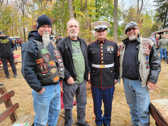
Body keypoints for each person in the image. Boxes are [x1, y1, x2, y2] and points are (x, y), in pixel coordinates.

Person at [21, 15, 64, 126]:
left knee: (54, 114)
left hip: (56, 87)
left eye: (48, 27)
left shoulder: (51, 43)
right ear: (37, 28)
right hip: (43, 90)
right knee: (41, 120)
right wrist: (39, 89)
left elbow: (57, 63)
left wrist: (64, 78)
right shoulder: (30, 45)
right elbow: (26, 70)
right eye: (43, 26)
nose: (46, 29)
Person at [119, 22, 161, 126]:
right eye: (128, 30)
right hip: (127, 82)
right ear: (126, 33)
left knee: (143, 109)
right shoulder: (123, 46)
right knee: (133, 108)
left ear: (138, 30)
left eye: (133, 28)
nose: (131, 31)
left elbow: (155, 63)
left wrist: (152, 79)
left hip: (141, 83)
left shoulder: (147, 43)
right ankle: (136, 124)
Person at [57, 18, 89, 126]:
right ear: (67, 29)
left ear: (78, 29)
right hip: (70, 81)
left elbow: (86, 59)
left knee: (82, 103)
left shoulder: (83, 42)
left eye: (75, 26)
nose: (73, 28)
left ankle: (81, 121)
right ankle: (68, 123)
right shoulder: (62, 43)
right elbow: (58, 62)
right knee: (68, 105)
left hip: (82, 81)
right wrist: (67, 76)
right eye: (71, 26)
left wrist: (87, 73)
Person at [87, 21, 119, 126]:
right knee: (97, 104)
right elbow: (88, 62)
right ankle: (98, 121)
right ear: (95, 33)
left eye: (103, 31)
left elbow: (117, 62)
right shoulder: (90, 46)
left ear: (106, 32)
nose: (101, 33)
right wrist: (88, 75)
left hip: (109, 79)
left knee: (108, 103)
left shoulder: (113, 45)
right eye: (98, 31)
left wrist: (116, 76)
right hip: (95, 80)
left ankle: (107, 121)